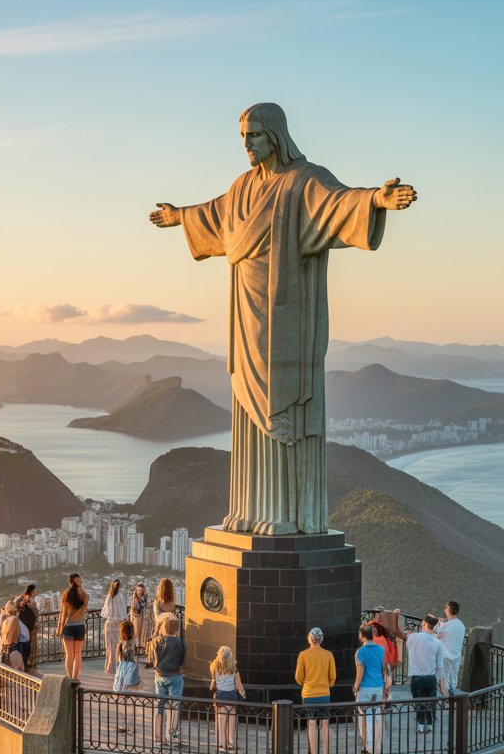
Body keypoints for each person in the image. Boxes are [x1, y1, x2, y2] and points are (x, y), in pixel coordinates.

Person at [149, 103, 416, 535]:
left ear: (274, 134)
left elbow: (338, 204)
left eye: (254, 135)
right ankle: (248, 512)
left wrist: (375, 199)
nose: (247, 145)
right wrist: (180, 215)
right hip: (244, 319)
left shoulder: (303, 182)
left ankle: (284, 515)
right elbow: (214, 215)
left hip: (284, 321)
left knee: (280, 408)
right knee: (247, 412)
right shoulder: (240, 190)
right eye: (242, 137)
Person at [295, 627, 337, 754]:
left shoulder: (303, 655)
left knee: (311, 723)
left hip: (309, 694)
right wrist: (326, 685)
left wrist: (305, 683)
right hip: (324, 693)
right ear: (321, 639)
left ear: (309, 638)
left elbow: (298, 677)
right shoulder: (328, 655)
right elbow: (333, 676)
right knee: (325, 724)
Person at [353, 625, 390, 754]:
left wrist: (355, 687)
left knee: (365, 719)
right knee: (377, 718)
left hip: (365, 688)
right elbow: (383, 668)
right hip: (378, 687)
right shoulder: (380, 650)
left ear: (362, 636)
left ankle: (368, 748)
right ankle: (378, 747)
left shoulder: (360, 652)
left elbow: (360, 673)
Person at [407, 614, 446, 732]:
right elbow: (440, 665)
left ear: (423, 623)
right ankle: (428, 724)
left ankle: (420, 725)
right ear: (434, 626)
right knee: (429, 703)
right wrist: (442, 682)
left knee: (419, 702)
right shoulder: (437, 643)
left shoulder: (413, 637)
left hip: (417, 677)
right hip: (431, 677)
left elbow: (408, 647)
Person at [153, 614, 186, 747]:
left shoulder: (157, 641)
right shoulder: (179, 642)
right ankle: (171, 737)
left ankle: (158, 738)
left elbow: (154, 658)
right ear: (176, 630)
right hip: (175, 676)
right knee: (174, 706)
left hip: (160, 675)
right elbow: (183, 658)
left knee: (159, 706)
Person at [209, 645, 246, 752]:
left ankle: (222, 744)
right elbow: (238, 685)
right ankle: (231, 744)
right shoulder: (234, 669)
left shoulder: (215, 667)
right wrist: (243, 694)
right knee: (231, 722)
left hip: (220, 695)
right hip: (231, 696)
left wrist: (212, 687)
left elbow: (212, 685)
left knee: (221, 720)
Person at [57, 573, 89, 681]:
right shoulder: (85, 595)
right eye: (79, 580)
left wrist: (59, 628)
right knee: (78, 654)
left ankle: (69, 678)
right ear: (75, 581)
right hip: (80, 626)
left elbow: (63, 613)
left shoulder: (66, 594)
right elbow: (84, 608)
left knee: (69, 655)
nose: (81, 582)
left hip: (68, 626)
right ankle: (75, 679)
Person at [113, 620, 140, 734]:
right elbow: (135, 658)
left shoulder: (119, 644)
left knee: (120, 698)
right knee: (131, 699)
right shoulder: (133, 644)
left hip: (121, 671)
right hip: (131, 669)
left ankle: (122, 724)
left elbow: (118, 660)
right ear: (132, 632)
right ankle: (130, 725)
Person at [435, 600, 465, 696]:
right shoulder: (461, 625)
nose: (444, 611)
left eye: (446, 608)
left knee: (443, 679)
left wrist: (439, 624)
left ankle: (446, 698)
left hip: (445, 656)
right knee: (451, 678)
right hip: (456, 655)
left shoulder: (446, 626)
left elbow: (436, 634)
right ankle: (451, 698)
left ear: (448, 610)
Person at [148, 577, 177, 669]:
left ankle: (157, 663)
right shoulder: (172, 601)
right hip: (173, 626)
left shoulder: (158, 601)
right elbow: (172, 611)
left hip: (161, 627)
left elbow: (157, 616)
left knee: (158, 646)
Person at [102, 578, 127, 674]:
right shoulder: (120, 596)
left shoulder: (109, 596)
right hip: (118, 625)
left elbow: (106, 612)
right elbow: (123, 611)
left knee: (110, 647)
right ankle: (119, 668)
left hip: (109, 625)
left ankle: (110, 667)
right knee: (119, 647)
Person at [16, 584, 40, 670]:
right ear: (30, 591)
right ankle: (24, 662)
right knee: (25, 643)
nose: (35, 593)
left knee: (29, 644)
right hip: (24, 624)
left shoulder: (32, 600)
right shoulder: (22, 598)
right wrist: (22, 603)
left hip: (30, 625)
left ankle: (28, 662)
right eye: (34, 592)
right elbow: (17, 606)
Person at [0, 599, 23, 670]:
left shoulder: (5, 619)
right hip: (11, 645)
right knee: (13, 666)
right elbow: (12, 633)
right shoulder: (14, 619)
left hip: (4, 644)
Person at [129, 582, 149, 659]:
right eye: (139, 590)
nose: (140, 591)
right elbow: (132, 608)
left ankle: (142, 648)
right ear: (137, 590)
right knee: (136, 632)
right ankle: (135, 648)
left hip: (143, 617)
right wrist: (135, 612)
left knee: (143, 632)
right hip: (136, 618)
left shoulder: (145, 597)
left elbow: (147, 607)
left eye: (142, 590)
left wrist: (145, 609)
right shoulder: (134, 597)